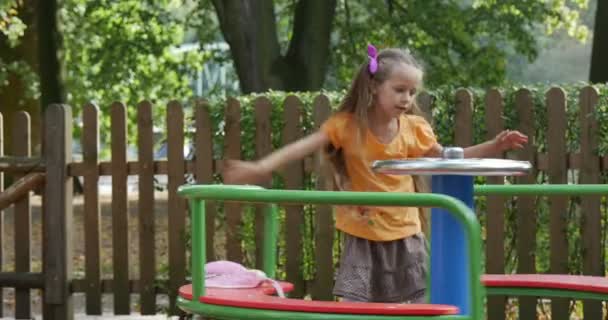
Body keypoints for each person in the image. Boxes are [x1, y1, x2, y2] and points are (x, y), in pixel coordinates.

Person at [222, 44, 528, 303]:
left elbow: (448, 159)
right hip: (363, 231)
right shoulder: (347, 126)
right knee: (355, 301)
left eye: (411, 92)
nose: (407, 99)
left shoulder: (414, 129)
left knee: (420, 300)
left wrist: (493, 145)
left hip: (405, 231)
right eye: (399, 90)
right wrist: (260, 167)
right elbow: (301, 147)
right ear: (373, 87)